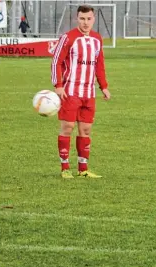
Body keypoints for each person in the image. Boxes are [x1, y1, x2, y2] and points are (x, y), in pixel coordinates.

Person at [51, 5, 111, 178]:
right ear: (77, 19)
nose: (86, 23)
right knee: (67, 128)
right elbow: (56, 62)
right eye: (82, 19)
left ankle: (83, 169)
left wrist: (104, 86)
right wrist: (58, 85)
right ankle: (65, 168)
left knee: (85, 130)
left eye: (89, 19)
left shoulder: (97, 39)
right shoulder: (68, 37)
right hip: (70, 92)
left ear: (93, 19)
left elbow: (99, 64)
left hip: (89, 93)